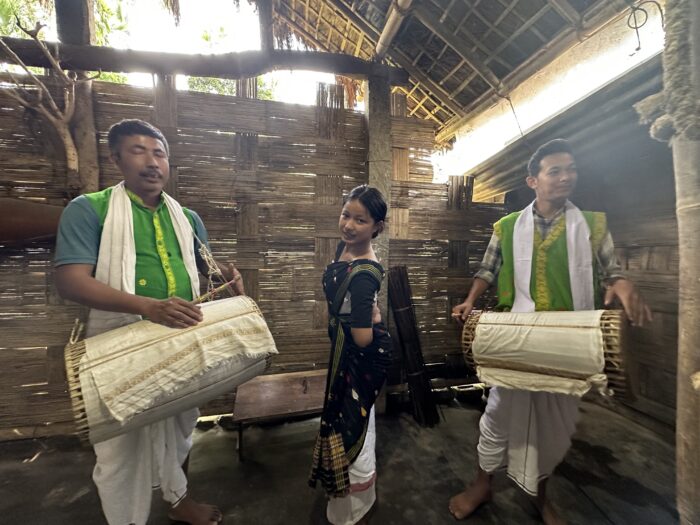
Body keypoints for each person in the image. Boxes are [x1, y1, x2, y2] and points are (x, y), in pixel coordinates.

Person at [447, 139, 652, 524]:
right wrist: (470, 300)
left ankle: (540, 497)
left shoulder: (593, 225)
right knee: (498, 415)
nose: (566, 177)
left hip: (565, 342)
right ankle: (482, 484)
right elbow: (487, 270)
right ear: (533, 180)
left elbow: (612, 272)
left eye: (571, 169)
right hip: (518, 337)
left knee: (553, 429)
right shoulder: (507, 226)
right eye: (554, 171)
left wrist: (622, 283)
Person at [55, 119, 244, 525]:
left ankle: (178, 500)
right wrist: (147, 306)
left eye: (159, 153)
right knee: (121, 442)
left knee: (180, 425)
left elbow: (201, 271)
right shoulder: (90, 210)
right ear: (116, 158)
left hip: (180, 338)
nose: (151, 161)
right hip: (119, 344)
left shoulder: (187, 218)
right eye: (139, 151)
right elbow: (70, 281)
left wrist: (225, 280)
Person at [308, 185, 392, 525]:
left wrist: (370, 318)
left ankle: (356, 503)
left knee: (351, 426)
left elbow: (361, 337)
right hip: (345, 352)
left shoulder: (363, 272)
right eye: (346, 215)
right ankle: (352, 498)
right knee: (357, 420)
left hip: (359, 356)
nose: (349, 225)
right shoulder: (347, 251)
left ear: (376, 227)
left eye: (361, 220)